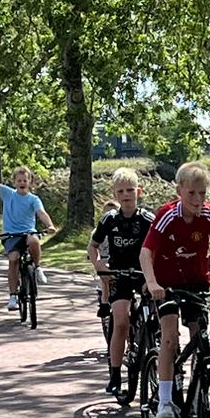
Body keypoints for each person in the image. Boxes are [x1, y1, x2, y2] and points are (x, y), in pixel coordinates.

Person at [140, 161, 210, 418]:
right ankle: (165, 401)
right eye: (191, 193)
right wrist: (152, 283)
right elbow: (146, 252)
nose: (198, 200)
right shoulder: (167, 215)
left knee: (199, 336)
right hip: (166, 285)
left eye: (202, 193)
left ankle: (198, 394)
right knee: (169, 337)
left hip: (196, 283)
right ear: (179, 191)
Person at [89, 169, 153, 396]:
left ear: (138, 192)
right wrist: (100, 267)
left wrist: (153, 277)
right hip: (118, 275)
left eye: (130, 190)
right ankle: (115, 374)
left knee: (157, 316)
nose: (126, 195)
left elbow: (161, 248)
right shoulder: (109, 219)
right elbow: (93, 247)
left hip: (143, 274)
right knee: (121, 321)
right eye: (121, 191)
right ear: (114, 194)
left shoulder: (148, 220)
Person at [0, 157, 58, 311]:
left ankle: (38, 267)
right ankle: (13, 296)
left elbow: (41, 213)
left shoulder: (34, 199)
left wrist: (50, 225)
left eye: (25, 180)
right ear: (14, 182)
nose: (22, 183)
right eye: (19, 180)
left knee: (34, 241)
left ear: (30, 182)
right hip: (11, 235)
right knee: (13, 259)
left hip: (28, 233)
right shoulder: (8, 194)